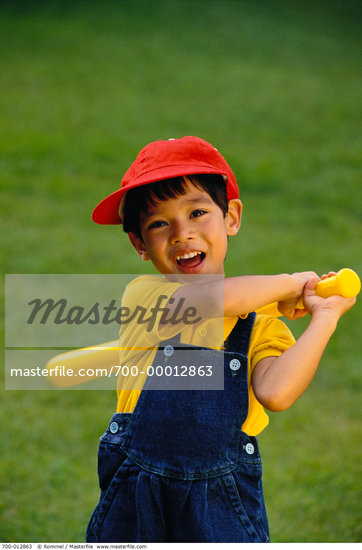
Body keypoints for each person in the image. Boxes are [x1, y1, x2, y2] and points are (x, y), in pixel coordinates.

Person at [86, 136, 355, 543]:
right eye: (159, 223)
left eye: (197, 212)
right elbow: (211, 300)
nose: (181, 233)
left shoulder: (260, 326)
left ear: (231, 217)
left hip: (223, 500)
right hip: (139, 495)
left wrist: (325, 318)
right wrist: (289, 284)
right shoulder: (147, 297)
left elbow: (277, 392)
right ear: (139, 243)